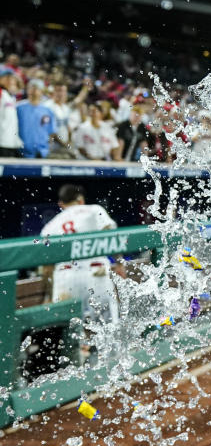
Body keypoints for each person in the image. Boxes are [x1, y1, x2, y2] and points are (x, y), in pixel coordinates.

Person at [39, 184, 121, 365]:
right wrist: (119, 262)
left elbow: (46, 266)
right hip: (96, 274)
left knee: (69, 332)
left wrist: (48, 293)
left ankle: (72, 372)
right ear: (81, 200)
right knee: (107, 328)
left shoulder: (51, 225)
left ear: (61, 204)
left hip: (65, 279)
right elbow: (110, 234)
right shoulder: (93, 209)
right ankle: (111, 368)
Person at [17, 79, 62, 158]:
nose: (34, 91)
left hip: (42, 152)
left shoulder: (47, 111)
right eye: (31, 87)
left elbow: (51, 132)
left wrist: (48, 148)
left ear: (42, 91)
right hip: (22, 151)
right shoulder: (19, 107)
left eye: (36, 88)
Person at [0, 65, 22, 157]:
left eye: (12, 79)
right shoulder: (1, 93)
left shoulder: (11, 97)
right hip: (2, 142)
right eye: (7, 78)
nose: (10, 81)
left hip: (12, 142)